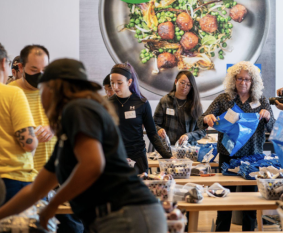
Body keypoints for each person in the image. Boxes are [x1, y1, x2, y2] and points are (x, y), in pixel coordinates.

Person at [0, 58, 168, 233]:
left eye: (41, 90)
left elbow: (92, 165)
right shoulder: (70, 126)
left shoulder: (79, 109)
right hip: (122, 215)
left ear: (54, 88)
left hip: (126, 214)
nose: (40, 98)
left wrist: (52, 207)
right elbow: (36, 190)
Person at [198, 61, 275, 232]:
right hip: (228, 156)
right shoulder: (223, 99)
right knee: (224, 200)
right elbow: (202, 118)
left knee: (250, 204)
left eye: (247, 79)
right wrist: (207, 118)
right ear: (234, 80)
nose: (243, 82)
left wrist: (268, 116)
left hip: (253, 158)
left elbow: (274, 129)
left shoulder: (261, 101)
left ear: (253, 82)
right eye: (240, 78)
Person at [109, 63, 172, 174]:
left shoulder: (141, 103)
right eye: (112, 83)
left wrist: (168, 156)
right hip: (115, 158)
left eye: (119, 83)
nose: (115, 87)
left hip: (137, 157)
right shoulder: (107, 104)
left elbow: (152, 133)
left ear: (129, 82)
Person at [8, 45, 57, 173]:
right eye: (34, 70)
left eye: (44, 69)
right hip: (23, 174)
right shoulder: (9, 93)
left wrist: (54, 127)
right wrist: (28, 137)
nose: (40, 75)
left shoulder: (55, 91)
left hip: (55, 173)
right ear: (21, 67)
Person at [0, 43, 38, 203]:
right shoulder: (13, 93)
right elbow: (28, 143)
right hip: (12, 179)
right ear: (3, 63)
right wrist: (35, 136)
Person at [154, 71, 206, 146]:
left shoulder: (195, 104)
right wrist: (159, 130)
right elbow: (154, 124)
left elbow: (202, 131)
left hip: (189, 149)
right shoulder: (165, 101)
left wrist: (188, 136)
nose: (185, 86)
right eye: (182, 83)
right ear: (176, 81)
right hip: (168, 148)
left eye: (188, 85)